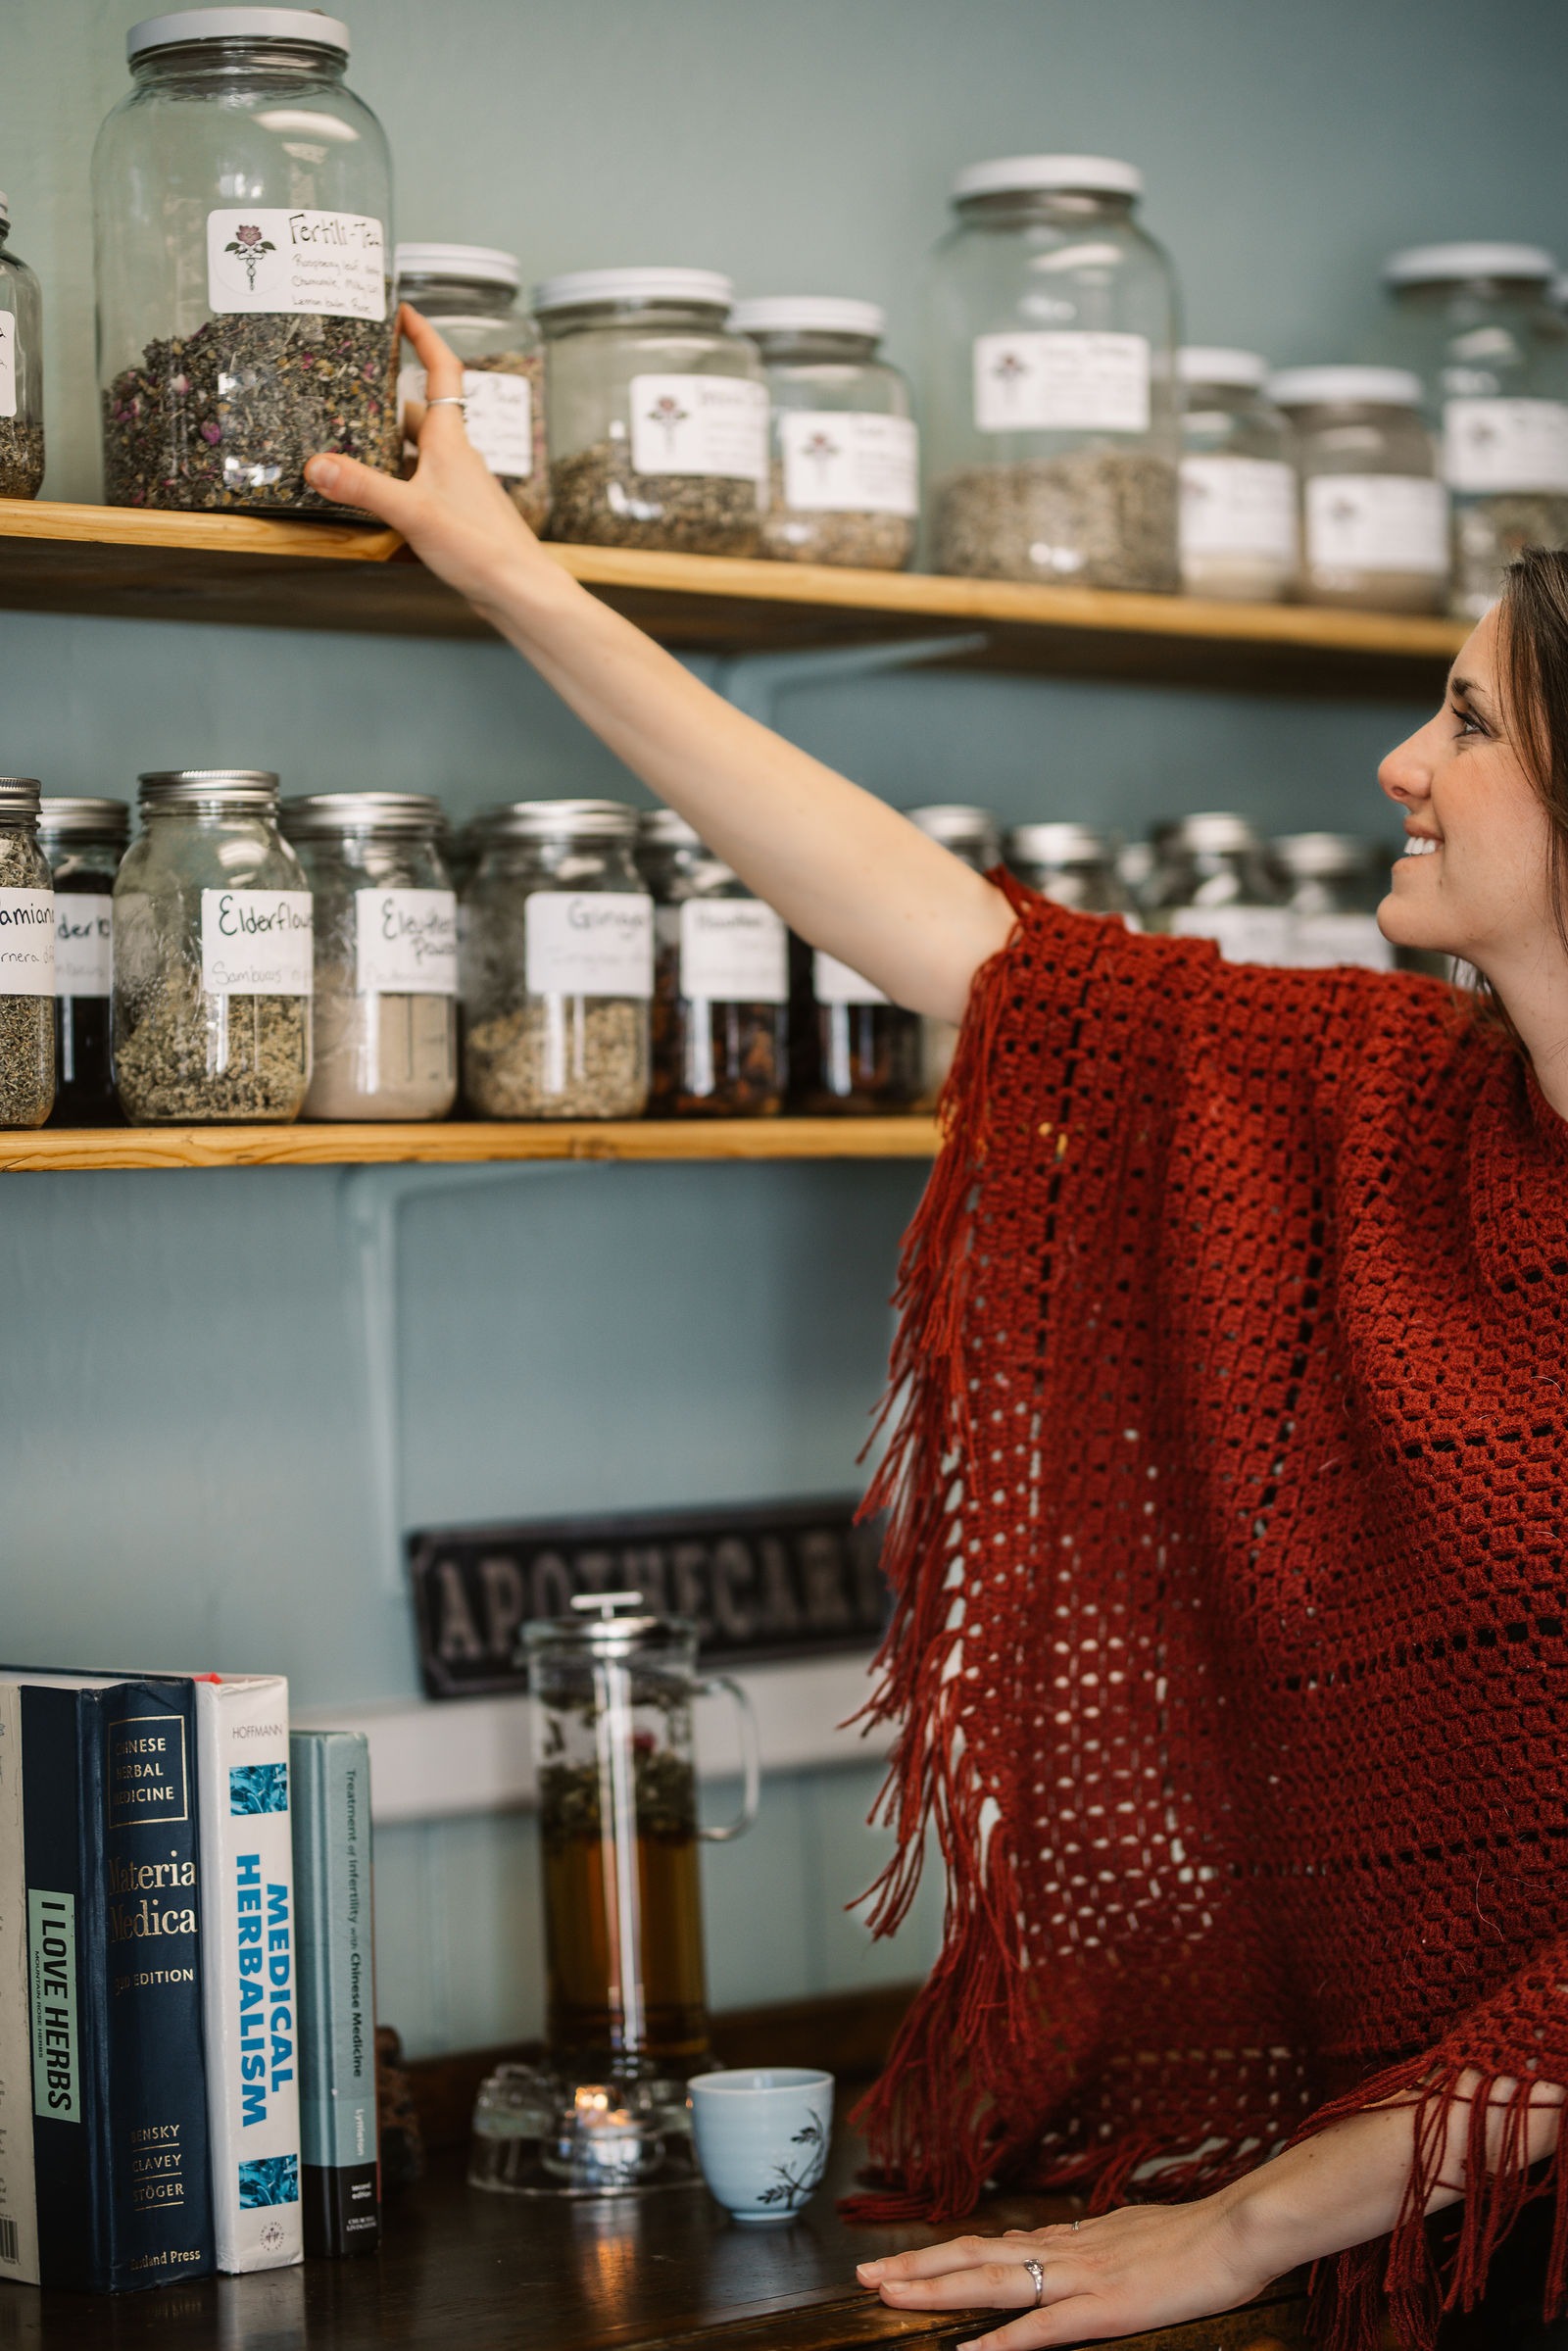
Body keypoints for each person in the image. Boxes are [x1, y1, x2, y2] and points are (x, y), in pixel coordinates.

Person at [310, 312, 1568, 2351]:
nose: (1400, 764)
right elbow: (949, 936)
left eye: (1470, 722)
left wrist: (1242, 2228)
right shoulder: (1379, 1093)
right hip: (1411, 2244)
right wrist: (505, 570)